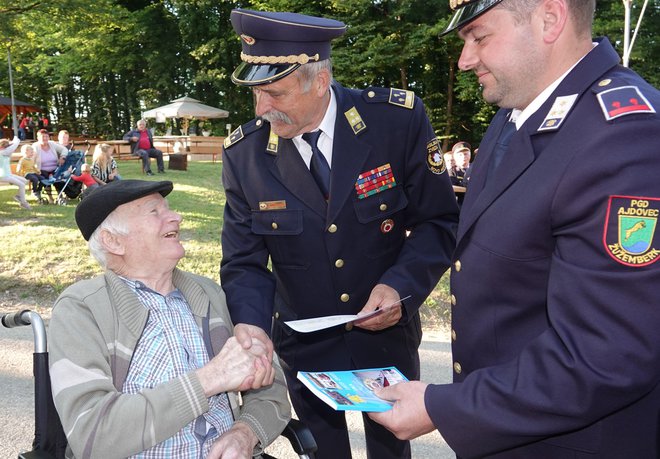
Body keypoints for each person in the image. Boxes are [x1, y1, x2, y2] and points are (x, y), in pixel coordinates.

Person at [369, 0, 660, 457]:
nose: (465, 60)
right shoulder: (516, 116)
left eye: (479, 36)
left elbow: (607, 353)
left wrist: (444, 406)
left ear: (550, 18)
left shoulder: (622, 135)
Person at [220, 9, 459, 459]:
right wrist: (250, 324)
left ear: (320, 81)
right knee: (321, 452)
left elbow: (439, 222)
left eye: (274, 93)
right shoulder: (245, 154)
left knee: (392, 449)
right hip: (303, 345)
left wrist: (399, 287)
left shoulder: (395, 122)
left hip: (385, 334)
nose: (261, 109)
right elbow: (244, 261)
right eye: (255, 93)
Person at [49, 179, 291, 458]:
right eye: (155, 212)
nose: (177, 217)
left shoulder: (210, 294)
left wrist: (246, 432)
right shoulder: (82, 309)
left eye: (170, 209)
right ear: (113, 241)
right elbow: (92, 434)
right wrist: (209, 379)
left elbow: (271, 389)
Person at [33, 129, 68, 203]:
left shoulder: (52, 144)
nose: (45, 138)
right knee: (45, 177)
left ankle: (59, 196)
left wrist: (63, 156)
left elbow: (64, 149)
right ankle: (50, 197)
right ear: (38, 138)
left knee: (58, 176)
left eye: (46, 136)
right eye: (43, 137)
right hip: (41, 170)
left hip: (54, 169)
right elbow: (31, 159)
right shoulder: (35, 147)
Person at [0, 136, 31, 209]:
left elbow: (11, 148)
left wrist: (12, 142)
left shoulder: (6, 153)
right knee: (22, 185)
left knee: (25, 181)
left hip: (8, 175)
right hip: (2, 176)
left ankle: (19, 196)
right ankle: (23, 203)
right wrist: (16, 140)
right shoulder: (1, 152)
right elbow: (12, 147)